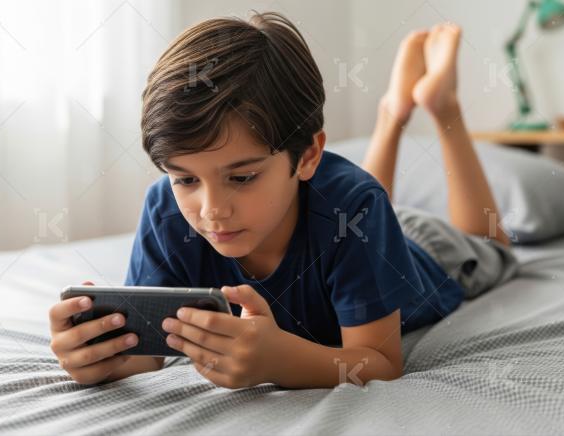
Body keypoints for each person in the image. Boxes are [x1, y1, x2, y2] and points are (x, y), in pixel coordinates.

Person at [48, 12, 517, 390]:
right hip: (350, 219)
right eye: (185, 179)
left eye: (243, 176)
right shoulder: (165, 211)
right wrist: (99, 357)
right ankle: (392, 111)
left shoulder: (357, 206)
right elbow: (149, 351)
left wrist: (279, 361)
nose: (211, 209)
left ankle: (440, 106)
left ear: (308, 154)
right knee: (357, 208)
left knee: (490, 241)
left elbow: (380, 362)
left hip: (425, 248)